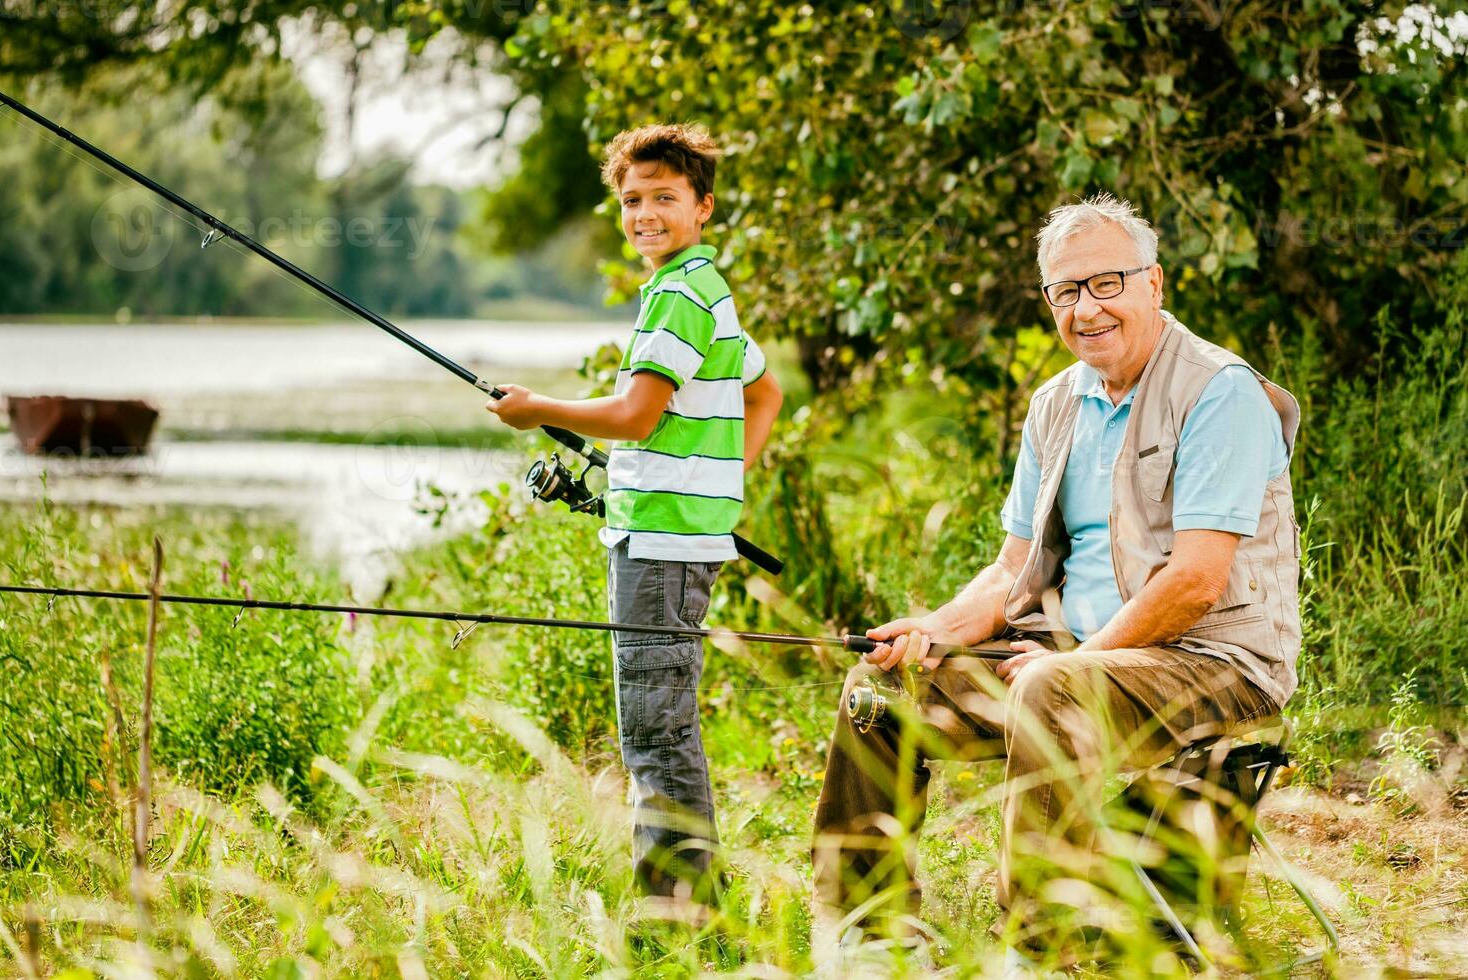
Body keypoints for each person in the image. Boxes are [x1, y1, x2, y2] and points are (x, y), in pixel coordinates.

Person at [811, 193, 1300, 962]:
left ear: (1154, 284)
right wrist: (937, 629)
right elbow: (1013, 568)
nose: (1086, 308)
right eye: (1066, 291)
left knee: (1048, 692)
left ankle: (1038, 951)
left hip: (1216, 663)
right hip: (1076, 657)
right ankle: (868, 936)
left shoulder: (1219, 391)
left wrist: (1077, 661)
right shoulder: (1055, 402)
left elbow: (1197, 581)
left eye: (1107, 283)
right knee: (880, 688)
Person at [488, 123, 783, 903]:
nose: (645, 213)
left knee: (656, 732)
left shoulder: (680, 296)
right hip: (677, 534)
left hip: (663, 544)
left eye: (663, 198)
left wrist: (535, 410)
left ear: (703, 207)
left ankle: (678, 912)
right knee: (663, 723)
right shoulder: (700, 291)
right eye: (631, 199)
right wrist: (720, 481)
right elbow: (765, 391)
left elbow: (635, 416)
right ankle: (687, 901)